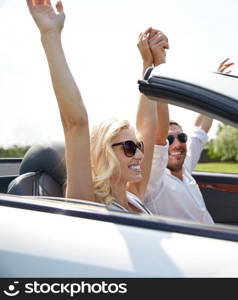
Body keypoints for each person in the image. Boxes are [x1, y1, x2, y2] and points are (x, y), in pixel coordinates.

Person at [26, 0, 163, 214]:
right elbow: (76, 123)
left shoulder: (134, 195)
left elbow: (148, 126)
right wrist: (50, 36)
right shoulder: (89, 204)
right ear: (103, 153)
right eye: (129, 147)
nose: (138, 155)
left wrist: (149, 66)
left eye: (138, 146)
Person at [141, 52, 234, 223]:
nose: (177, 144)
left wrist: (216, 87)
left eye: (181, 137)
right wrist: (154, 66)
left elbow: (200, 127)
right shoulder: (154, 179)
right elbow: (155, 131)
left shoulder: (185, 166)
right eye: (169, 139)